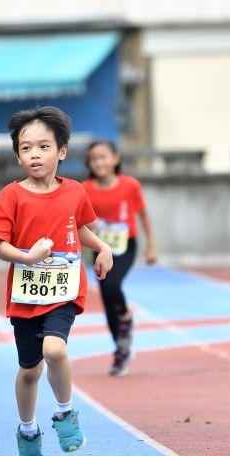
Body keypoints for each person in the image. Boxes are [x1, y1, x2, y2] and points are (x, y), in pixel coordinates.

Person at [0, 106, 113, 456]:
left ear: (62, 151)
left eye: (43, 146)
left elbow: (78, 229)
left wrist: (101, 248)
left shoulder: (74, 191)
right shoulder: (10, 196)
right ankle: (27, 431)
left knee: (54, 349)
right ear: (17, 155)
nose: (34, 154)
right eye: (26, 148)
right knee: (29, 371)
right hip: (26, 296)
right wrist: (26, 256)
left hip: (64, 289)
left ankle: (65, 411)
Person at [82, 140, 156, 376]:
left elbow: (143, 214)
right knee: (106, 296)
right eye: (94, 158)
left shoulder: (130, 185)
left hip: (125, 246)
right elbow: (80, 219)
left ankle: (125, 313)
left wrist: (151, 246)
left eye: (103, 157)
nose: (99, 162)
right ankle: (121, 347)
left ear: (115, 159)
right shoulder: (85, 188)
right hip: (100, 247)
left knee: (113, 285)